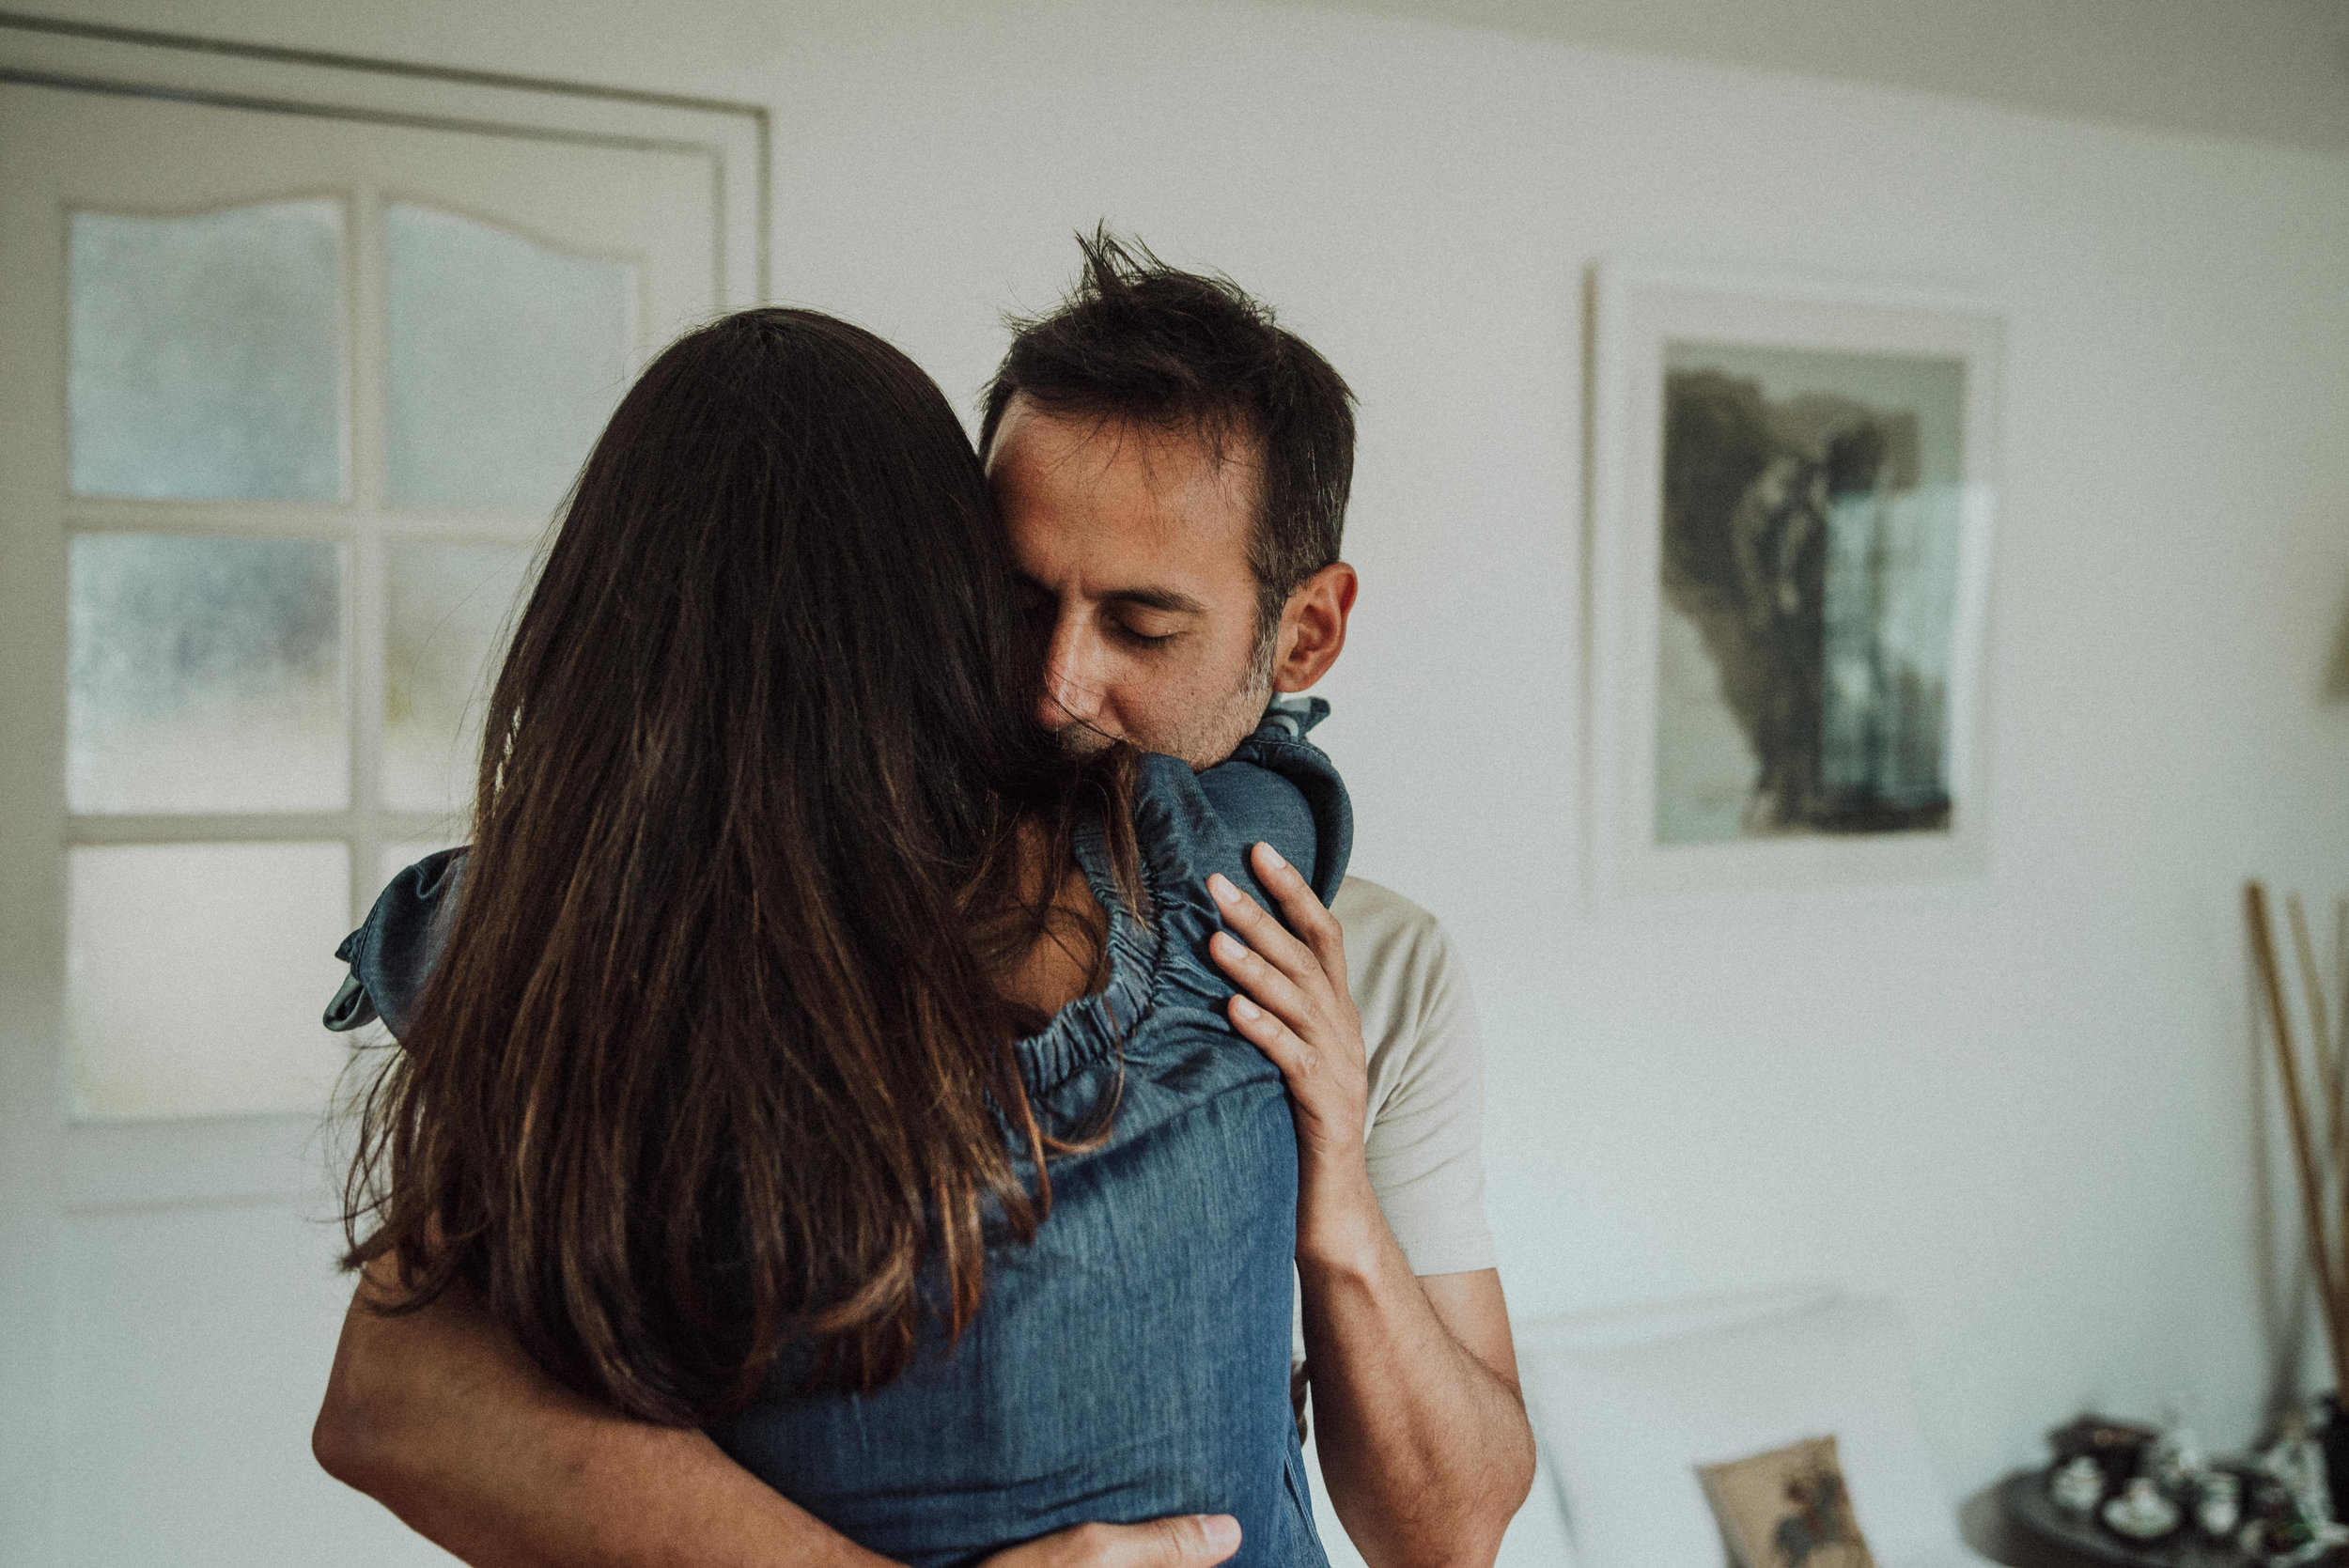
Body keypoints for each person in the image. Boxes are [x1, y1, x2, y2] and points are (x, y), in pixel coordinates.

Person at [314, 235, 1536, 1568]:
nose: (1054, 684)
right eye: (1011, 604)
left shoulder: (1377, 964)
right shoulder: (737, 899)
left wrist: (1337, 1196)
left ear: (1302, 636)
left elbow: (1450, 1533)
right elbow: (399, 1392)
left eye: (1142, 625)